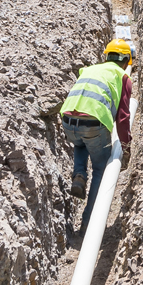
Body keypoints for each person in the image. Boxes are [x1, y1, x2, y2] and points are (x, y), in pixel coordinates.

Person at [58, 39, 135, 239]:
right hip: (94, 122)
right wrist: (125, 146)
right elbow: (124, 116)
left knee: (80, 141)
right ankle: (88, 224)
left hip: (68, 120)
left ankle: (79, 175)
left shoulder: (90, 70)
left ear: (107, 56)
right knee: (101, 169)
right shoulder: (123, 77)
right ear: (126, 61)